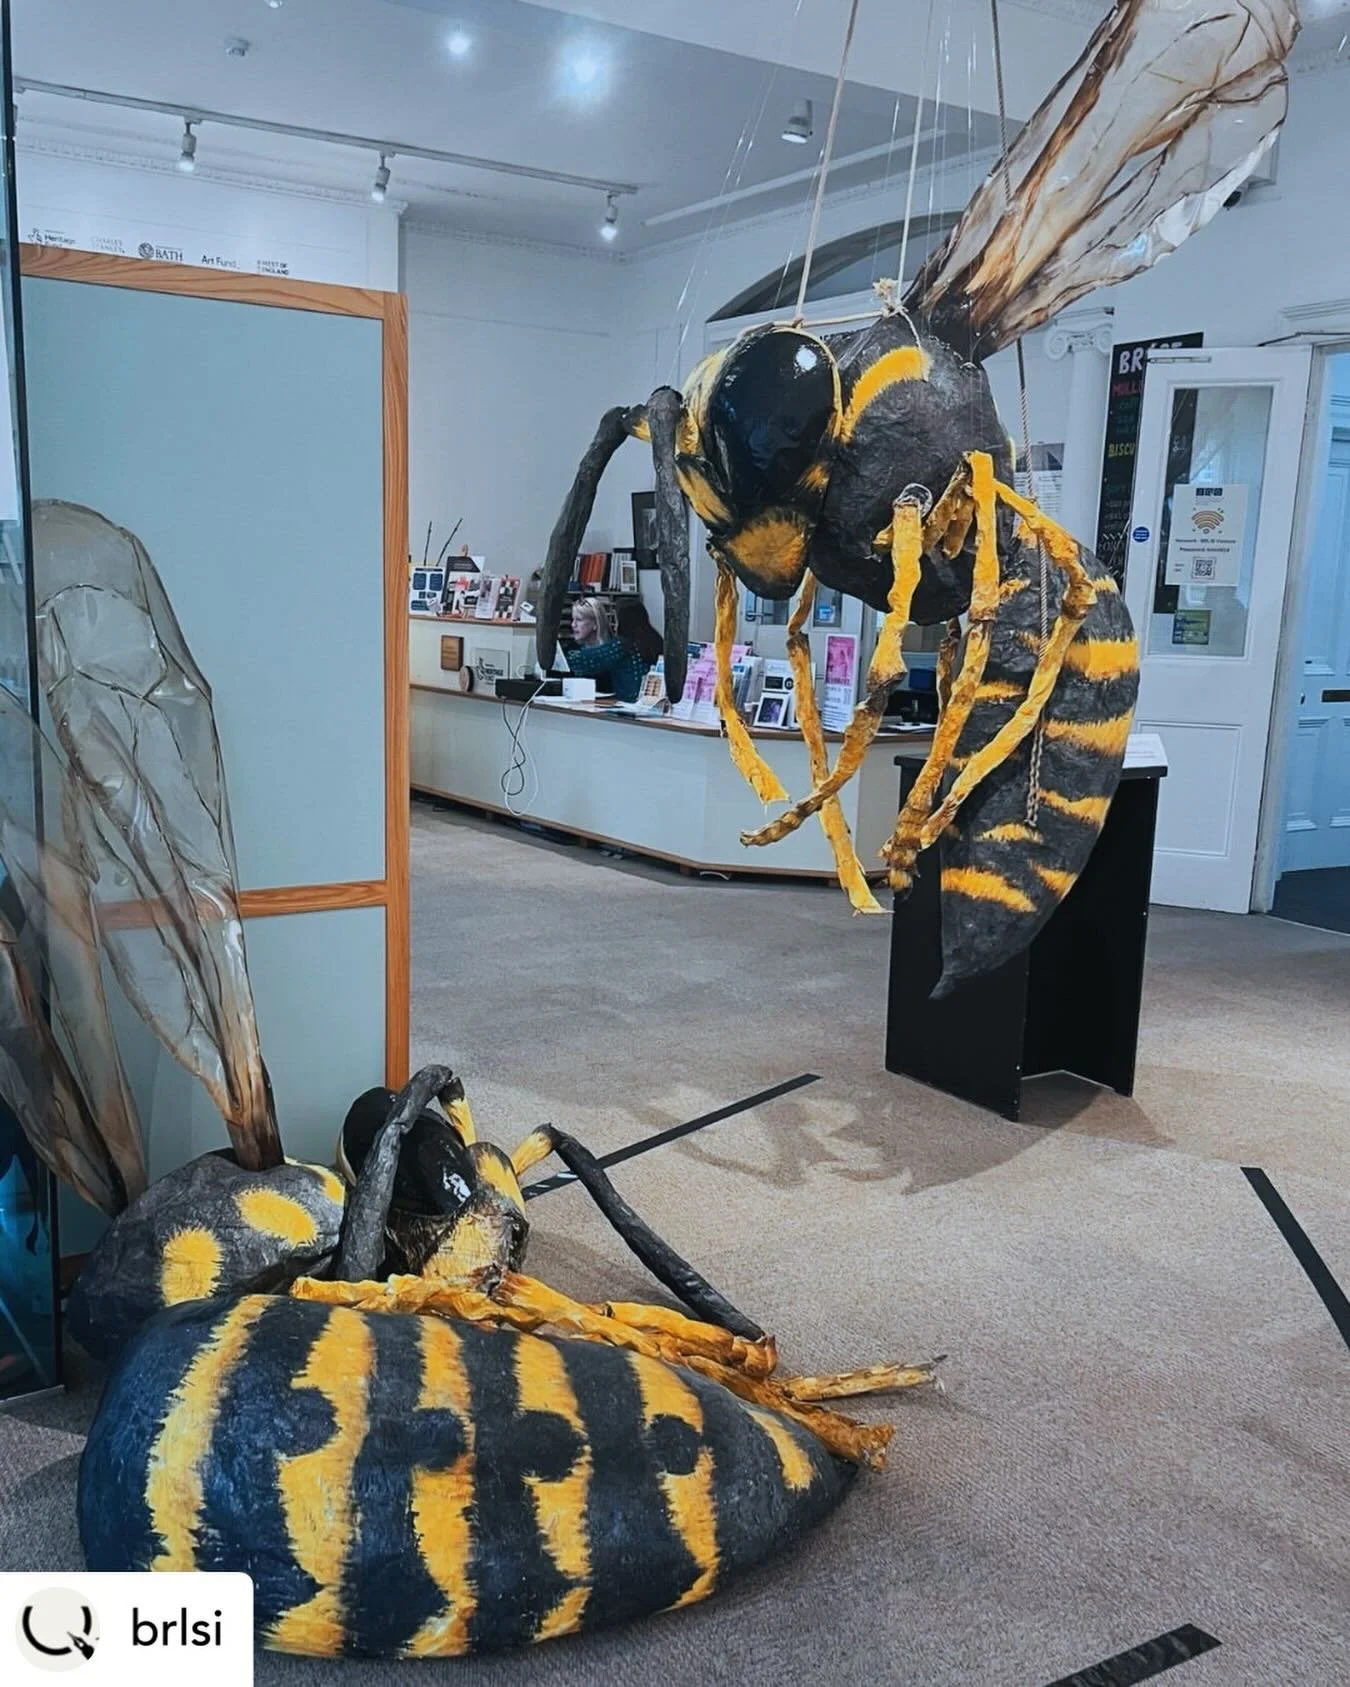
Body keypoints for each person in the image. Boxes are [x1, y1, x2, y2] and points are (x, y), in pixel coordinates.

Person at [562, 595, 663, 703]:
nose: (615, 625)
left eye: (616, 620)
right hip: (654, 701)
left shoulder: (623, 645)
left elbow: (583, 661)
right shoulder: (655, 640)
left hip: (629, 702)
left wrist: (561, 655)